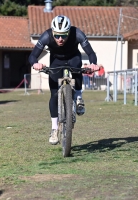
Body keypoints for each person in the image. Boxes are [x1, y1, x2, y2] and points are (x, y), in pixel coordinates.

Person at [29, 15, 99, 145]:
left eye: (64, 35)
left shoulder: (77, 33)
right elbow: (33, 55)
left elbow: (91, 53)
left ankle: (78, 97)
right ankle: (54, 128)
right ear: (53, 33)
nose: (60, 39)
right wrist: (35, 64)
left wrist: (93, 63)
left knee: (77, 68)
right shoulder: (46, 36)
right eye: (57, 36)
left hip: (73, 58)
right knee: (54, 95)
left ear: (69, 32)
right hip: (56, 61)